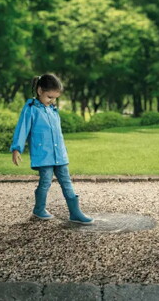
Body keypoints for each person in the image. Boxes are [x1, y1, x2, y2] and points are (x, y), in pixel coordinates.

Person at [10, 73, 94, 225]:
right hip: (44, 155)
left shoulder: (53, 110)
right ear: (40, 90)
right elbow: (22, 129)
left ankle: (75, 212)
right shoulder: (31, 109)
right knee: (45, 182)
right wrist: (17, 149)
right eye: (49, 97)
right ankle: (39, 209)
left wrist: (63, 150)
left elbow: (58, 134)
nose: (52, 101)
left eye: (55, 98)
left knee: (66, 181)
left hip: (59, 155)